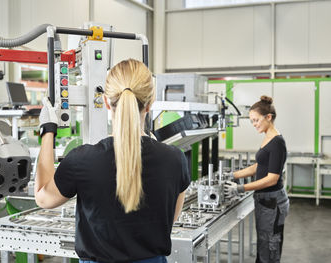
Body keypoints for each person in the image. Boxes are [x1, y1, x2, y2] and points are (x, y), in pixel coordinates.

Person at [35, 59, 191, 263]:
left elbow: (43, 198)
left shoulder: (82, 160)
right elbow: (170, 219)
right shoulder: (175, 159)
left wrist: (48, 130)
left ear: (107, 102)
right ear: (150, 103)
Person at [223, 95, 289, 263]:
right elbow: (259, 166)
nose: (254, 125)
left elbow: (272, 178)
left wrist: (240, 188)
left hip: (272, 202)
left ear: (269, 117)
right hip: (265, 201)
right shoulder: (267, 137)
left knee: (269, 248)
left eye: (256, 120)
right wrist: (233, 175)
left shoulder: (277, 143)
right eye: (252, 121)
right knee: (264, 245)